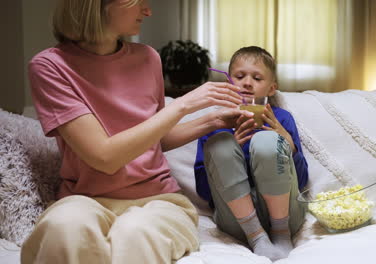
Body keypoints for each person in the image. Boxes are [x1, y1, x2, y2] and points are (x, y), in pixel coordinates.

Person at [21, 0, 253, 263]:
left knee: (135, 233)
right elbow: (105, 157)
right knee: (63, 228)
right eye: (139, 1)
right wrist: (185, 104)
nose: (148, 10)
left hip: (159, 201)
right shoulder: (50, 66)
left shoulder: (148, 58)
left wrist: (214, 120)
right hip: (85, 200)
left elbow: (151, 140)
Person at [194, 46, 309, 261]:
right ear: (229, 82)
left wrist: (288, 143)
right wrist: (230, 152)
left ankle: (280, 234)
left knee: (267, 140)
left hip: (287, 216)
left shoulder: (282, 119)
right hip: (236, 221)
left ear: (272, 88)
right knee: (220, 143)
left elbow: (301, 181)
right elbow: (204, 190)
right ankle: (257, 237)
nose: (247, 82)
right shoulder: (216, 124)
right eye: (239, 76)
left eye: (257, 78)